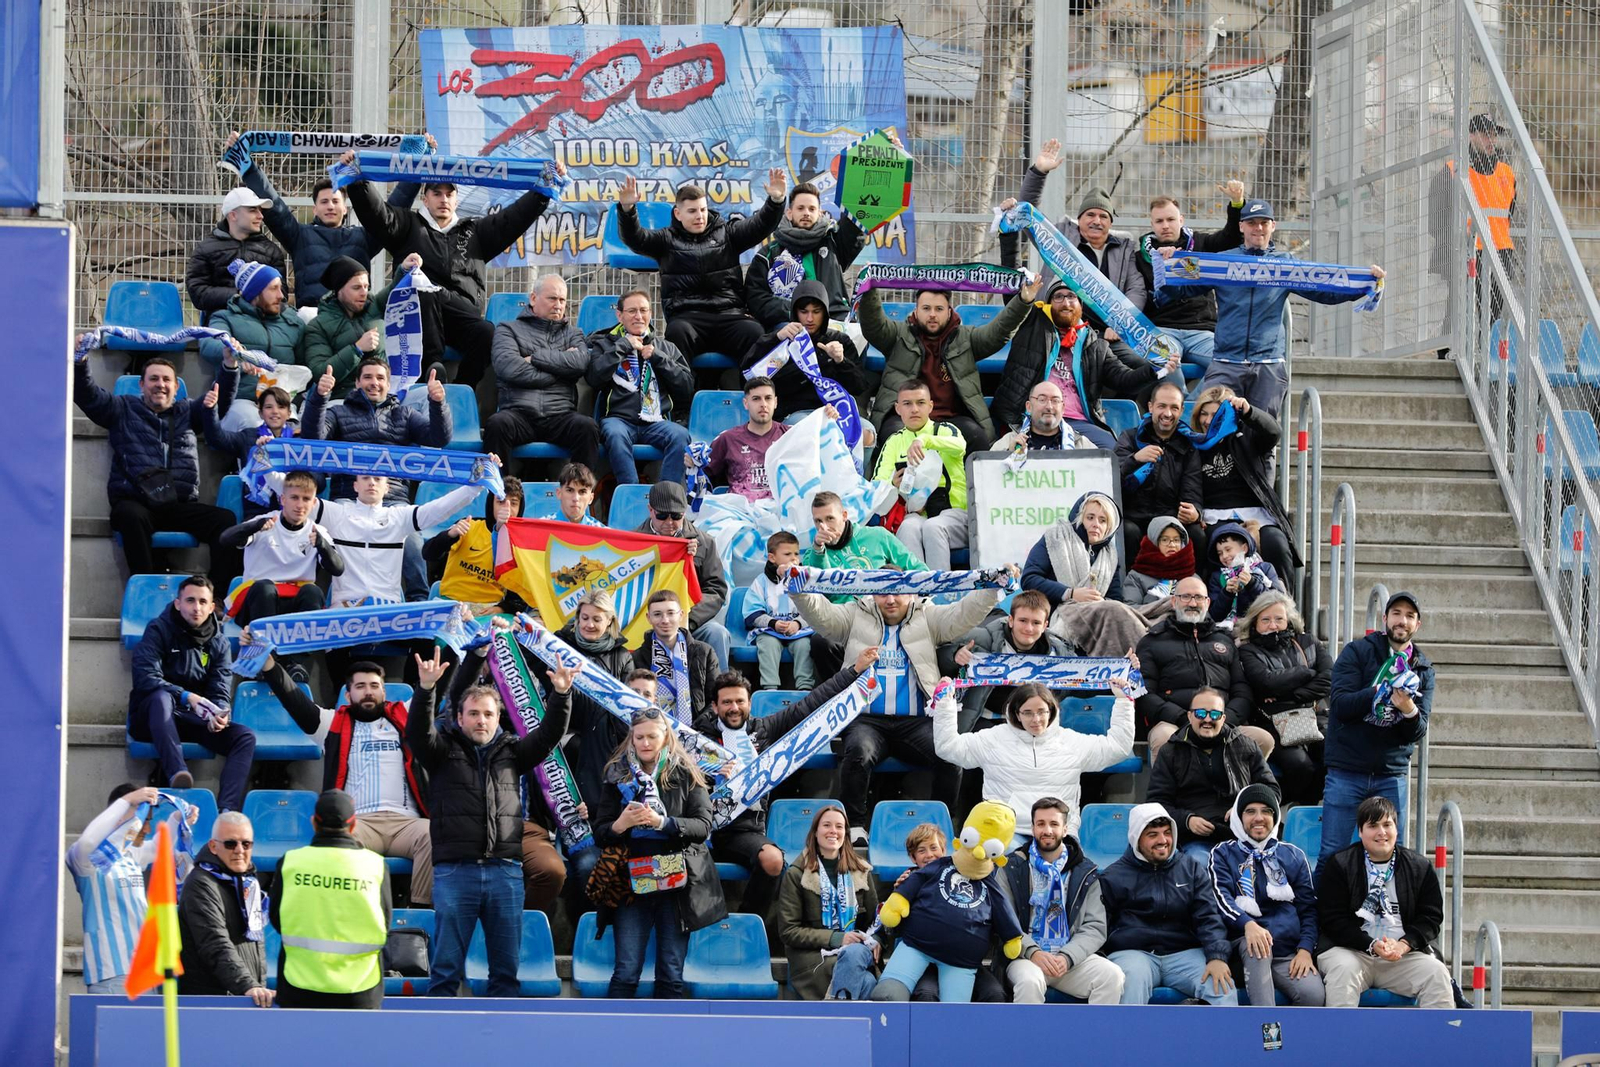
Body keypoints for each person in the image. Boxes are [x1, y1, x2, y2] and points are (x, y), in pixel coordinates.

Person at [793, 568, 1012, 842]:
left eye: (898, 591)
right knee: (858, 751)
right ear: (872, 592)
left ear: (912, 591)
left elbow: (963, 613)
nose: (891, 599)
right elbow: (821, 615)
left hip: (916, 722)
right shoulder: (855, 613)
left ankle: (940, 827)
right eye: (883, 592)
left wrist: (993, 589)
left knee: (950, 754)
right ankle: (856, 827)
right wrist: (797, 588)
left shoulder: (927, 615)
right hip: (867, 719)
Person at [406, 649, 574, 997]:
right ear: (459, 717)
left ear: (499, 718)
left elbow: (548, 736)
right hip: (455, 873)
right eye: (473, 714)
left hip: (505, 873)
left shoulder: (513, 752)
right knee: (445, 972)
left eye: (488, 714)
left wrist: (560, 696)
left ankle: (504, 1043)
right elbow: (417, 733)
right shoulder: (441, 751)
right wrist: (425, 690)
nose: (481, 720)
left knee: (505, 974)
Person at [341, 150, 564, 387]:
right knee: (425, 292)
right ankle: (431, 373)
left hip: (462, 314)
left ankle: (462, 389)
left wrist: (542, 190)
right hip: (418, 317)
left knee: (487, 332)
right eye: (436, 193)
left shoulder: (476, 232)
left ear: (457, 200)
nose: (444, 199)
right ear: (425, 199)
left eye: (450, 194)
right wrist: (356, 181)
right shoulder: (407, 225)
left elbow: (515, 217)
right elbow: (376, 213)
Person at [1171, 199, 1386, 419]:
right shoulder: (1222, 261)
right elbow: (1180, 290)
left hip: (1268, 366)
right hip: (1226, 362)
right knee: (1213, 427)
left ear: (1273, 226)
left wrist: (1365, 284)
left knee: (1261, 436)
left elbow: (1324, 291)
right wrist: (1167, 266)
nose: (1258, 228)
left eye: (1264, 222)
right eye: (1252, 222)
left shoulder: (1285, 264)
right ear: (1241, 226)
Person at [698, 658, 876, 920]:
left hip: (743, 831)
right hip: (700, 826)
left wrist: (854, 671)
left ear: (749, 703)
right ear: (715, 706)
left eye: (740, 701)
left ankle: (746, 925)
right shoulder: (697, 736)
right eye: (726, 702)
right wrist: (710, 772)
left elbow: (811, 703)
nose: (734, 708)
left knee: (773, 860)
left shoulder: (764, 729)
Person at [255, 656, 434, 906]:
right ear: (348, 696)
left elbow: (441, 683)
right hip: (358, 824)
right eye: (360, 687)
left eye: (374, 686)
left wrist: (475, 652)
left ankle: (420, 912)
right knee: (338, 844)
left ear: (384, 691)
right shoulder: (331, 724)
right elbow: (292, 698)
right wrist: (268, 665)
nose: (368, 692)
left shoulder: (405, 716)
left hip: (406, 823)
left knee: (433, 833)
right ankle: (357, 912)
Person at [596, 707, 728, 999]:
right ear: (631, 738)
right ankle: (614, 1040)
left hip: (676, 884)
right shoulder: (616, 773)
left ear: (665, 737)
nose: (645, 743)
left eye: (651, 737)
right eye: (639, 737)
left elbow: (703, 826)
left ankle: (669, 1043)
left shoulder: (687, 771)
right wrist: (620, 825)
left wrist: (662, 823)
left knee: (670, 974)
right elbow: (601, 832)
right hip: (631, 882)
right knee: (626, 971)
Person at [75, 355, 242, 587]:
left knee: (225, 520)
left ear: (176, 387)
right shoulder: (122, 407)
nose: (160, 384)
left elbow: (218, 400)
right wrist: (79, 362)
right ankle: (146, 588)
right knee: (129, 515)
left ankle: (218, 595)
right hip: (138, 503)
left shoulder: (189, 411)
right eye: (153, 379)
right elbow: (88, 395)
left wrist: (230, 366)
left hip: (179, 505)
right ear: (141, 385)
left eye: (166, 379)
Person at [228, 129, 416, 311]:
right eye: (324, 201)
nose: (330, 206)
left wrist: (419, 165)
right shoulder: (299, 236)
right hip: (313, 317)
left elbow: (391, 213)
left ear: (345, 207)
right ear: (315, 208)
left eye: (335, 201)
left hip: (355, 317)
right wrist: (248, 167)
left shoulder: (364, 238)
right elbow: (276, 208)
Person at [614, 170, 787, 362]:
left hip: (730, 315)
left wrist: (776, 201)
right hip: (688, 318)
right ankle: (682, 392)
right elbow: (635, 238)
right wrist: (627, 210)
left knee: (754, 332)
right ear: (678, 214)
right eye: (692, 211)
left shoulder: (728, 233)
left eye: (703, 210)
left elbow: (760, 225)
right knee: (676, 333)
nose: (700, 216)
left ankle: (753, 391)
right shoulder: (665, 240)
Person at [933, 678, 1136, 838]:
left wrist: (1123, 702)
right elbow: (948, 748)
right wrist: (944, 704)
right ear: (1016, 713)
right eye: (1028, 713)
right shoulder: (993, 738)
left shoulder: (1071, 742)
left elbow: (1117, 748)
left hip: (1058, 834)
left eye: (1041, 712)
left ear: (1052, 711)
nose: (1036, 719)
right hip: (1005, 834)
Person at [256, 467, 484, 610]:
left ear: (387, 487)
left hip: (387, 610)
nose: (371, 482)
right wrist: (265, 465)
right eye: (365, 477)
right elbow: (292, 490)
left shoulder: (400, 517)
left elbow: (439, 509)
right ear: (355, 485)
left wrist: (476, 485)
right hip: (344, 609)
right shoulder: (338, 514)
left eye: (377, 478)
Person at [1320, 591, 1433, 870]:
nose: (1402, 621)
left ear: (1417, 625)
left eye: (1409, 616)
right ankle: (1320, 914)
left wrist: (1407, 707)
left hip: (1390, 774)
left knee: (1392, 855)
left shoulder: (1423, 669)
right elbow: (1341, 706)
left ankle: (1388, 912)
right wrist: (1379, 691)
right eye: (1396, 614)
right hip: (1347, 770)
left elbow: (1417, 730)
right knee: (1332, 854)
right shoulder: (1358, 651)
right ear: (1384, 619)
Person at [869, 801, 1025, 1002]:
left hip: (961, 960)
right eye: (921, 850)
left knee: (991, 994)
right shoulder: (913, 878)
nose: (929, 855)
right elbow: (894, 914)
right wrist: (897, 895)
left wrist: (1012, 936)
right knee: (916, 993)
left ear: (945, 849)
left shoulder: (984, 879)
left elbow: (1002, 907)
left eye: (933, 848)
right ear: (912, 856)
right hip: (920, 950)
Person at [860, 278, 1038, 451]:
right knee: (893, 437)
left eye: (939, 309)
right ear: (916, 311)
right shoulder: (897, 335)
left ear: (949, 311)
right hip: (906, 417)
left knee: (977, 437)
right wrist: (869, 290)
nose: (932, 314)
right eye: (926, 308)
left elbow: (999, 332)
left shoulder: (966, 338)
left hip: (952, 419)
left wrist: (1023, 302)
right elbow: (873, 325)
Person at [991, 283, 1176, 450]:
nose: (1066, 302)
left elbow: (1124, 380)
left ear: (1080, 306)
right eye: (1058, 297)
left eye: (1072, 296)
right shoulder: (1031, 326)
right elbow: (1015, 302)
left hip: (1078, 423)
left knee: (1111, 453)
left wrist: (1153, 369)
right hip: (1032, 418)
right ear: (1048, 304)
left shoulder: (1096, 345)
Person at [128, 576, 257, 812]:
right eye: (190, 600)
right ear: (178, 603)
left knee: (244, 737)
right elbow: (145, 678)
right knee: (161, 697)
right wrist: (187, 696)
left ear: (211, 607)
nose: (196, 607)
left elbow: (220, 686)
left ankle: (226, 810)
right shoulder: (158, 629)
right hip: (151, 716)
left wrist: (218, 713)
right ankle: (178, 771)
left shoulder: (219, 643)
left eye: (202, 602)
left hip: (193, 718)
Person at [1002, 141, 1148, 340]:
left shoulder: (1124, 249)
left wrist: (1123, 322)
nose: (1096, 221)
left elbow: (1136, 290)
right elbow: (1028, 211)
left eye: (1103, 216)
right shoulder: (1060, 240)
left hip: (1108, 334)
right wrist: (1039, 172)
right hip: (1055, 331)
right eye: (1090, 214)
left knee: (1142, 366)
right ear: (1079, 220)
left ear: (1110, 223)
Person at [1317, 796, 1452, 1008]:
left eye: (1387, 824)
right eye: (1373, 826)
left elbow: (1431, 918)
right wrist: (1371, 945)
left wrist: (1404, 945)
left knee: (1436, 973)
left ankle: (1439, 1040)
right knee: (1343, 972)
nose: (1381, 832)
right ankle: (1342, 1040)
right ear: (1360, 831)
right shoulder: (1340, 864)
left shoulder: (1419, 866)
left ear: (1396, 829)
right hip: (1351, 951)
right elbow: (1332, 920)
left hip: (1401, 956)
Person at [1100, 802, 1237, 1006]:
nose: (1163, 840)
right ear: (1136, 837)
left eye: (1167, 833)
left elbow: (1208, 917)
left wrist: (1216, 956)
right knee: (1129, 983)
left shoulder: (1191, 868)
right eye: (1153, 834)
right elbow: (1100, 926)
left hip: (1184, 954)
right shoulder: (1113, 876)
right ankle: (1128, 1039)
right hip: (1134, 954)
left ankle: (1225, 1040)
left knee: (1222, 986)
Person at [993, 797, 1125, 1004]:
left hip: (1068, 958)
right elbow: (1004, 920)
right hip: (1026, 959)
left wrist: (1067, 956)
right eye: (1041, 824)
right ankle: (1029, 1037)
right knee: (1030, 982)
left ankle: (1095, 1037)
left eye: (1054, 824)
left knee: (1111, 975)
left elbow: (1095, 926)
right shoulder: (1011, 867)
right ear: (1033, 828)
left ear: (1065, 829)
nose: (1047, 830)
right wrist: (1033, 951)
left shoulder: (1084, 871)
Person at [67, 784, 195, 994]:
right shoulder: (85, 859)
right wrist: (126, 801)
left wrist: (178, 820)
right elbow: (89, 840)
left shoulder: (130, 854)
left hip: (145, 971)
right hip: (112, 975)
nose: (146, 829)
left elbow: (156, 847)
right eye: (142, 821)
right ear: (119, 818)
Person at [270, 789, 392, 1009]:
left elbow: (277, 919)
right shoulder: (375, 865)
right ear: (353, 826)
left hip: (299, 986)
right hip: (360, 989)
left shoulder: (291, 862)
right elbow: (385, 923)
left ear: (313, 823)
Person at [1210, 783, 1324, 1007]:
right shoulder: (1223, 852)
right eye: (1250, 811)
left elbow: (1309, 909)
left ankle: (1294, 1042)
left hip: (1287, 952)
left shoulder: (1293, 855)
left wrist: (1305, 949)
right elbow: (1220, 898)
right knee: (1258, 948)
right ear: (1239, 817)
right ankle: (1267, 1038)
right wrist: (1248, 924)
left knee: (1313, 995)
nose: (1259, 818)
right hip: (1243, 947)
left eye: (1266, 811)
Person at [1135, 576, 1269, 760]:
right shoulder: (1151, 641)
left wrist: (1224, 719)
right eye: (1186, 597)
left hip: (1222, 722)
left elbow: (1242, 690)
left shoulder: (1225, 641)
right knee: (1164, 737)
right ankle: (1166, 790)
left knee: (1263, 739)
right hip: (1174, 723)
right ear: (1173, 601)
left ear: (1207, 602)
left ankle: (1238, 789)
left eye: (1198, 597)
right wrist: (1183, 718)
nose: (1192, 603)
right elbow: (1144, 694)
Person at [483, 274, 601, 474]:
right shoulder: (507, 329)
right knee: (496, 424)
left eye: (562, 300)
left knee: (587, 427)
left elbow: (580, 363)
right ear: (533, 298)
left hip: (560, 415)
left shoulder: (574, 333)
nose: (558, 305)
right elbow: (509, 368)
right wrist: (561, 368)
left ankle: (579, 495)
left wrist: (534, 357)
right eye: (552, 298)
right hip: (519, 413)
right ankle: (500, 496)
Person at [1146, 688, 1279, 861]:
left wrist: (1243, 806)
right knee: (1200, 864)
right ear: (1190, 716)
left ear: (1223, 718)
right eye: (1201, 713)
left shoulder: (1245, 746)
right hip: (1195, 840)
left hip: (1243, 835)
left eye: (1215, 714)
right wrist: (1187, 820)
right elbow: (1157, 803)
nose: (1208, 719)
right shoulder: (1171, 751)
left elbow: (1271, 789)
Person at [1189, 386, 1300, 588]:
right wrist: (1196, 511)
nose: (1207, 420)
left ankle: (1283, 605)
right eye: (1203, 414)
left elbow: (1273, 432)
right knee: (1220, 544)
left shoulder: (1246, 436)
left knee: (1276, 542)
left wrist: (1250, 412)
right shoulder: (1193, 444)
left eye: (1214, 414)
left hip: (1255, 514)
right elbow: (1190, 485)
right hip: (1215, 515)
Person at [301, 357, 452, 506]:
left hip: (394, 501)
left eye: (380, 378)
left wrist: (438, 403)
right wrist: (320, 397)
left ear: (388, 384)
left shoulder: (406, 414)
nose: (374, 383)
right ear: (357, 383)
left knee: (411, 532)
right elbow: (313, 437)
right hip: (347, 499)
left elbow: (439, 439)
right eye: (367, 377)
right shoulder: (338, 412)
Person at [220, 470, 345, 650]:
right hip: (257, 602)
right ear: (282, 499)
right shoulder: (263, 522)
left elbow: (338, 569)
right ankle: (264, 655)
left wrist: (322, 545)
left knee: (313, 592)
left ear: (314, 502)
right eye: (294, 497)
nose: (300, 505)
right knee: (265, 588)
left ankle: (297, 661)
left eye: (306, 499)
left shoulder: (318, 531)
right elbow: (225, 539)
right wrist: (254, 527)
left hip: (293, 603)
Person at [1021, 492, 1152, 657]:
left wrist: (1098, 603)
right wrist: (1071, 593)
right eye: (1090, 517)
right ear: (1080, 518)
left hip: (1096, 623)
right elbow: (1029, 579)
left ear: (1109, 526)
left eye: (1102, 520)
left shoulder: (1110, 555)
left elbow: (1114, 598)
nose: (1096, 524)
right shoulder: (1055, 538)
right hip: (1054, 619)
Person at [1135, 184, 1246, 375]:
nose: (1166, 225)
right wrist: (1163, 265)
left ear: (1181, 220)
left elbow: (1232, 237)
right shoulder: (1141, 256)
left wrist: (1237, 203)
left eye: (1170, 219)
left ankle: (1199, 403)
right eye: (1159, 221)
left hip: (1202, 330)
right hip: (1162, 330)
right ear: (1152, 225)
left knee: (1230, 362)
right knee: (1162, 362)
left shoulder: (1201, 243)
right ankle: (1178, 404)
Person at [1429, 113, 1517, 356]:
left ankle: (1488, 361)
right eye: (1483, 133)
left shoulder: (1507, 174)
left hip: (1500, 251)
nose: (1490, 138)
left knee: (1496, 313)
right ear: (1470, 135)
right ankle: (1446, 356)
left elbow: (1508, 213)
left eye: (1493, 133)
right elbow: (1435, 219)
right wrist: (1454, 244)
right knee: (1458, 307)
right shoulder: (1452, 171)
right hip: (1465, 251)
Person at [588, 289, 694, 487]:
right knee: (615, 435)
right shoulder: (605, 345)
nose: (639, 316)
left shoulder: (665, 347)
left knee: (680, 435)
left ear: (650, 314)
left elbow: (686, 388)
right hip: (619, 420)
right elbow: (594, 377)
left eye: (644, 310)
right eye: (632, 311)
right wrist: (622, 347)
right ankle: (632, 494)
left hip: (656, 422)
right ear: (619, 315)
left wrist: (659, 359)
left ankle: (667, 497)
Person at [775, 802, 881, 1000]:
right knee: (868, 983)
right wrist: (838, 938)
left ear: (846, 834)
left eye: (839, 827)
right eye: (827, 825)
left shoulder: (861, 872)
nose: (833, 831)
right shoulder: (797, 874)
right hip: (813, 959)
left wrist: (876, 942)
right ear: (815, 832)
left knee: (854, 953)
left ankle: (835, 1012)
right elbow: (789, 931)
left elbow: (875, 924)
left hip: (857, 953)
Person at [1235, 592, 1332, 804]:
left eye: (1279, 619)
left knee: (1331, 757)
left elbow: (1330, 678)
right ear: (1255, 622)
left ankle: (1302, 807)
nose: (1273, 625)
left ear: (1288, 620)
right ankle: (1274, 807)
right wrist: (1306, 673)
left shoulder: (1308, 642)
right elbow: (1266, 682)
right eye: (1266, 619)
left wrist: (1294, 694)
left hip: (1314, 716)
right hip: (1274, 722)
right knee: (1300, 765)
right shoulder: (1248, 651)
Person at [937, 590, 1076, 733]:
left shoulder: (1058, 651)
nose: (1028, 628)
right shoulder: (981, 638)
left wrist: (1051, 689)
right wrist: (955, 655)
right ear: (1011, 620)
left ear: (1045, 625)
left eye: (1036, 623)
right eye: (1023, 620)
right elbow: (939, 658)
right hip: (985, 718)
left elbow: (1081, 680)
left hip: (1032, 724)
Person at [870, 378, 970, 571]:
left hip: (955, 514)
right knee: (908, 528)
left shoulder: (946, 430)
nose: (914, 409)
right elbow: (877, 485)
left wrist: (925, 440)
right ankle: (914, 594)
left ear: (930, 406)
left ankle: (939, 595)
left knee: (933, 527)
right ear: (898, 409)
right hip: (916, 514)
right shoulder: (894, 441)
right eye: (907, 404)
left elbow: (960, 447)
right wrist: (892, 484)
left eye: (920, 403)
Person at [196, 259, 305, 431]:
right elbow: (209, 344)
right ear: (255, 293)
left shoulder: (292, 322)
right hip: (241, 401)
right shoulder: (225, 317)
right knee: (257, 426)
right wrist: (238, 354)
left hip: (283, 402)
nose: (281, 296)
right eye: (273, 288)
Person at [177, 811, 272, 1005]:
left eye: (246, 844)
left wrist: (257, 985)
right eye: (230, 843)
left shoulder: (248, 882)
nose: (239, 850)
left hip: (243, 997)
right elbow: (214, 943)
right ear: (213, 846)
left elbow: (256, 944)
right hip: (210, 1003)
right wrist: (248, 985)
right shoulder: (200, 884)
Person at [740, 279, 867, 424]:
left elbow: (859, 387)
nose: (810, 318)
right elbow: (747, 375)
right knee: (807, 430)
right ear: (795, 312)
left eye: (816, 312)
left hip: (835, 411)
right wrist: (775, 339)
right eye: (804, 311)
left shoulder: (839, 340)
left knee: (868, 434)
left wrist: (841, 361)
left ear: (825, 312)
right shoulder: (781, 339)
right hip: (793, 414)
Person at [744, 181, 868, 329]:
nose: (806, 213)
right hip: (789, 326)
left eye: (812, 209)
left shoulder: (835, 242)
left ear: (820, 213)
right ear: (789, 213)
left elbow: (855, 223)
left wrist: (863, 185)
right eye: (800, 208)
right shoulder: (768, 254)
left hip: (835, 322)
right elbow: (756, 298)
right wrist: (796, 311)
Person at [636, 481, 734, 668]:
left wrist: (687, 618)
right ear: (650, 510)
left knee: (717, 633)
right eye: (662, 515)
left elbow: (716, 590)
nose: (669, 523)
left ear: (685, 512)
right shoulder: (632, 541)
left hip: (689, 621)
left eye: (676, 516)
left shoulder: (704, 542)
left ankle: (722, 693)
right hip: (645, 621)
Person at [1114, 380, 1204, 563]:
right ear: (1151, 407)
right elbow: (1112, 481)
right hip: (1134, 517)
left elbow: (1192, 491)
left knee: (1197, 534)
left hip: (1169, 518)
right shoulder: (1129, 438)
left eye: (1174, 408)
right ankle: (1127, 587)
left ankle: (1196, 588)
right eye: (1162, 406)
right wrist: (1134, 459)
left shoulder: (1189, 446)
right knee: (1128, 532)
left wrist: (1195, 513)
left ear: (1180, 411)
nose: (1168, 413)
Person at [297, 254, 410, 397]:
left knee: (426, 396)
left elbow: (394, 290)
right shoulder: (318, 326)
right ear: (339, 290)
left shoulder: (374, 306)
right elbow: (319, 373)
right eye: (356, 287)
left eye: (366, 286)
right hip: (345, 398)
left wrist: (404, 269)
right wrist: (356, 349)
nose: (364, 292)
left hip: (385, 393)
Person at [199, 359, 297, 520]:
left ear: (288, 413)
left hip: (293, 512)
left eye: (280, 407)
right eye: (268, 407)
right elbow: (217, 439)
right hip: (256, 512)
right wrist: (210, 411)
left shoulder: (297, 440)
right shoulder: (249, 436)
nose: (275, 412)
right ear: (260, 413)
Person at [424, 475, 528, 616]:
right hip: (452, 604)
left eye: (514, 503)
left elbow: (521, 594)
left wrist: (501, 608)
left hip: (489, 610)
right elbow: (428, 553)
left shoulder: (522, 544)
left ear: (520, 508)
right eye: (501, 501)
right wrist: (449, 535)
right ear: (491, 503)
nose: (507, 508)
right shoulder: (469, 525)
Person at [803, 491, 927, 603]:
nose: (824, 527)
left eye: (830, 518)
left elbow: (919, 570)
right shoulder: (813, 554)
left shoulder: (878, 535)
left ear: (844, 516)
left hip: (883, 610)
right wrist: (819, 550)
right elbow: (820, 591)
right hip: (844, 618)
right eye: (818, 521)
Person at [186, 186, 285, 319]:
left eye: (260, 210)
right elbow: (198, 293)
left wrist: (253, 295)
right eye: (252, 210)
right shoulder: (206, 250)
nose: (260, 216)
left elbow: (281, 293)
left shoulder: (271, 251)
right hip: (221, 323)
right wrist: (239, 295)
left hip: (262, 323)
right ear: (233, 215)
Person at [630, 590, 719, 724]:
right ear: (648, 618)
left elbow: (716, 699)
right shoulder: (638, 657)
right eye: (657, 614)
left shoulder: (704, 652)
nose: (665, 620)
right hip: (654, 732)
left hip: (698, 732)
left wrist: (697, 729)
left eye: (671, 613)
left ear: (681, 615)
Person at [745, 530, 816, 690]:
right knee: (768, 644)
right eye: (787, 554)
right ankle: (770, 688)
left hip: (798, 631)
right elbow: (752, 613)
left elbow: (813, 610)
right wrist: (773, 623)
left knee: (804, 645)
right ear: (772, 558)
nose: (793, 558)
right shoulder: (761, 582)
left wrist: (797, 624)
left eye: (796, 554)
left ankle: (805, 689)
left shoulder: (805, 580)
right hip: (770, 630)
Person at [705, 375, 789, 501]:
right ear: (746, 403)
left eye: (768, 398)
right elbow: (704, 473)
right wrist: (692, 463)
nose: (763, 404)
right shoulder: (728, 438)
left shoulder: (790, 435)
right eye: (756, 399)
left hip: (780, 510)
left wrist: (829, 417)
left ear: (775, 402)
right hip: (740, 512)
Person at [992, 381, 1100, 455]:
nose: (1049, 406)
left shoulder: (1081, 444)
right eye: (1042, 399)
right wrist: (1008, 454)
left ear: (1063, 408)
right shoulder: (1010, 440)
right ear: (1028, 407)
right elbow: (988, 476)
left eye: (1055, 400)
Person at [1205, 522, 1283, 625]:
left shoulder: (1265, 568)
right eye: (1220, 553)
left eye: (1228, 549)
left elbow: (1277, 600)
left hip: (1262, 625)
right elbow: (1215, 615)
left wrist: (1252, 583)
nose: (1224, 556)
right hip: (1228, 628)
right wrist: (1227, 593)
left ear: (1244, 548)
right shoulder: (1217, 576)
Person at [1123, 516, 1195, 606]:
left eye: (1176, 540)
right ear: (1153, 543)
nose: (1172, 545)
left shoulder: (1191, 577)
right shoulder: (1136, 577)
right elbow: (1129, 609)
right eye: (1165, 540)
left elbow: (1202, 612)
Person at [551, 462, 603, 526]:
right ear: (559, 493)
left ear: (591, 498)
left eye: (582, 492)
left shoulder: (602, 533)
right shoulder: (541, 529)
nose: (576, 498)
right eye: (570, 490)